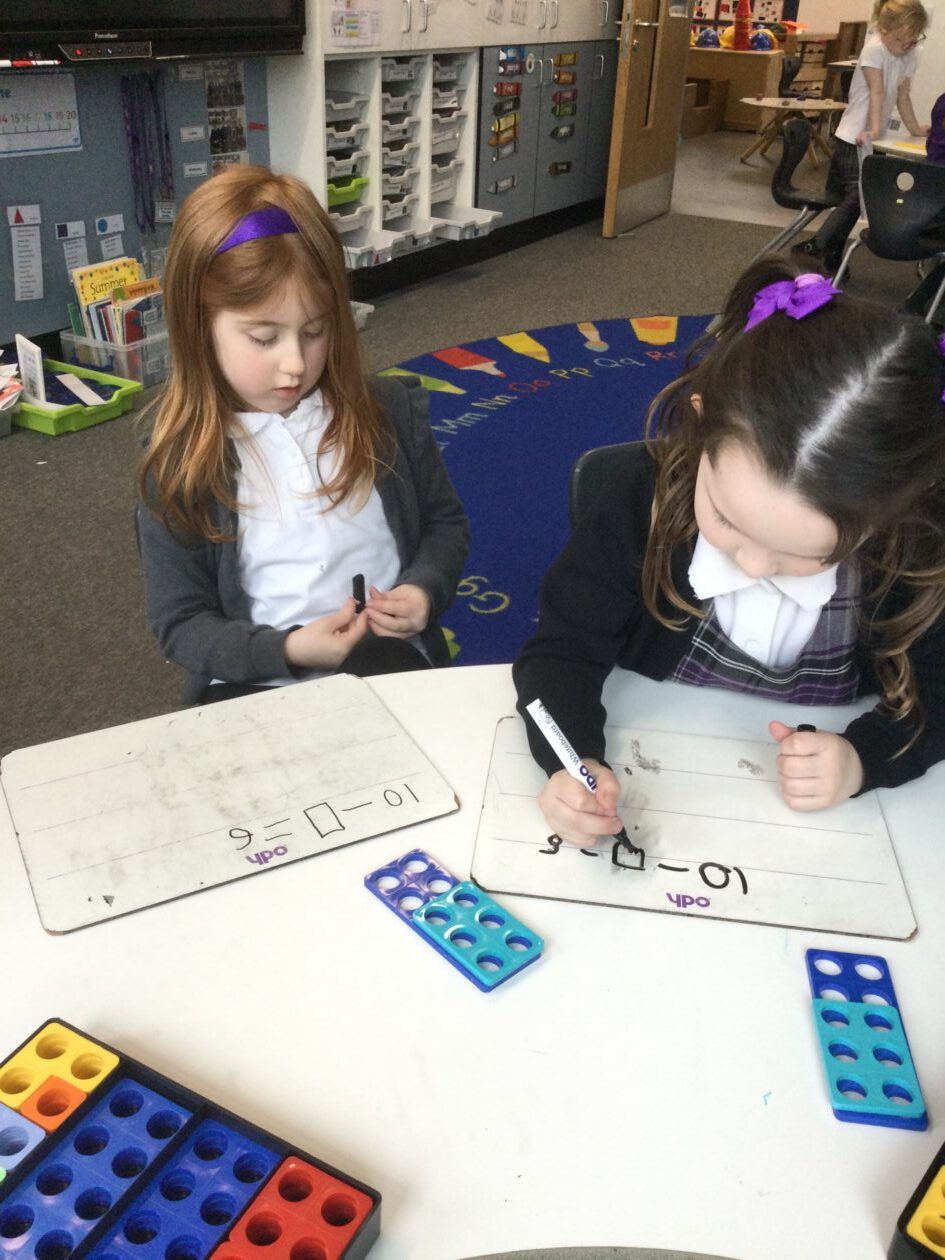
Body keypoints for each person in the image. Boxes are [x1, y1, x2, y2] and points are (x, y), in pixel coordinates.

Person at [513, 259, 945, 844]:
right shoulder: (636, 501)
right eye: (726, 519)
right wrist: (573, 758)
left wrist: (864, 757)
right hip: (654, 742)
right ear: (701, 425)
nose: (755, 566)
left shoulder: (917, 547)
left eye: (804, 555)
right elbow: (561, 653)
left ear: (889, 515)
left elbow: (937, 698)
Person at [137, 165, 469, 705]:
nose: (295, 363)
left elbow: (444, 524)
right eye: (263, 338)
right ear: (199, 326)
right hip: (256, 687)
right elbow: (181, 624)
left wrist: (424, 588)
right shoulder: (180, 460)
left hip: (392, 671)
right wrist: (290, 650)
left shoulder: (388, 411)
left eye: (314, 331)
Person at [793, 0, 930, 276]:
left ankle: (831, 254)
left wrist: (916, 129)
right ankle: (814, 247)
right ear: (885, 30)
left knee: (855, 201)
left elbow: (903, 96)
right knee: (857, 196)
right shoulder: (874, 49)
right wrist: (874, 129)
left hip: (871, 140)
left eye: (913, 41)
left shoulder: (910, 53)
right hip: (852, 137)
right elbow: (876, 92)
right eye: (901, 40)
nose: (907, 47)